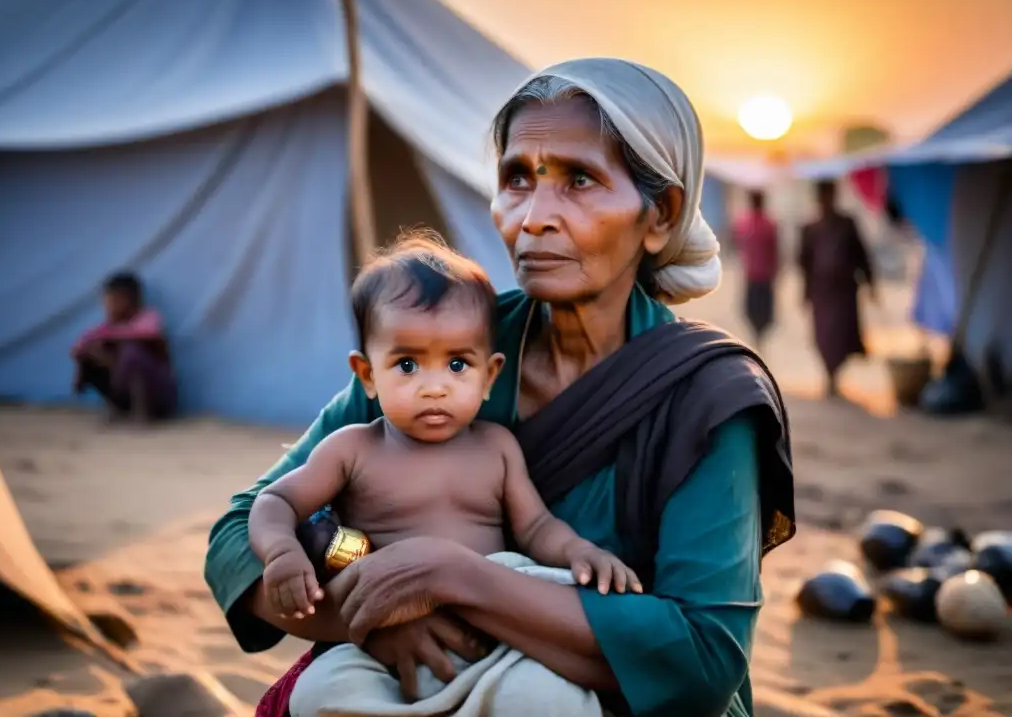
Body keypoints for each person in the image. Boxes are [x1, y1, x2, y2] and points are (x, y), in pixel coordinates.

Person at [205, 58, 795, 717]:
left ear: (661, 213)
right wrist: (373, 617)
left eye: (579, 180)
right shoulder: (440, 348)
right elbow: (237, 536)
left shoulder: (707, 398)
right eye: (517, 179)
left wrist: (453, 576)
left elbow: (702, 663)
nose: (533, 216)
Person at [250, 236, 643, 713]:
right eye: (407, 365)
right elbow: (276, 501)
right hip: (390, 632)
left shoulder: (496, 447)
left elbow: (537, 527)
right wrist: (281, 551)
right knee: (319, 692)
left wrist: (579, 551)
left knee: (545, 694)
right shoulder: (352, 449)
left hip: (494, 631)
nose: (434, 387)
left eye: (458, 364)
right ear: (367, 375)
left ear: (489, 375)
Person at [798, 180, 876, 397]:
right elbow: (804, 264)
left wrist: (871, 284)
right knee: (824, 335)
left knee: (842, 334)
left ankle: (836, 374)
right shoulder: (810, 229)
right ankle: (829, 374)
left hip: (844, 291)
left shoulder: (847, 224)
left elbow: (862, 256)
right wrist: (805, 292)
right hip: (821, 292)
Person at [71, 272, 176, 423]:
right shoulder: (105, 328)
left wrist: (109, 338)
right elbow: (78, 348)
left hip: (158, 398)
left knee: (132, 352)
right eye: (106, 302)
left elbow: (150, 334)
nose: (108, 307)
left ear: (131, 300)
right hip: (125, 392)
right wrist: (85, 359)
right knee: (90, 353)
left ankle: (142, 414)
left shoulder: (148, 317)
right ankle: (117, 409)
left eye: (113, 301)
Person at [732, 190, 779, 349]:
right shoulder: (767, 224)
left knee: (756, 311)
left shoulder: (744, 224)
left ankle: (759, 339)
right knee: (759, 312)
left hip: (756, 276)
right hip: (760, 276)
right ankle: (758, 339)